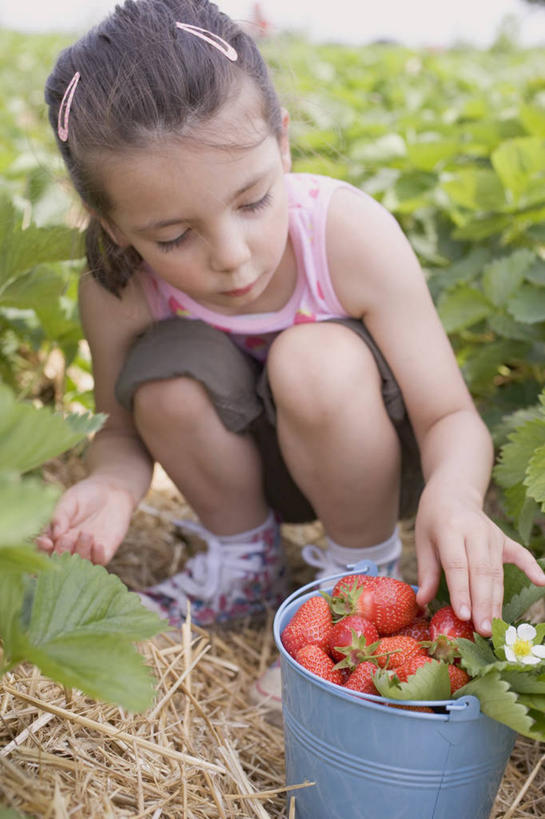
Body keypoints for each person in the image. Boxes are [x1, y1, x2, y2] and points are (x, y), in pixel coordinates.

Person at [39, 0, 545, 642]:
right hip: (239, 471)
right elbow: (119, 430)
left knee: (314, 362)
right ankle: (244, 566)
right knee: (164, 382)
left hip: (363, 458)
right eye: (172, 237)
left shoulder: (345, 236)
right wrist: (112, 484)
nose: (231, 255)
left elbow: (448, 416)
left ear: (281, 143)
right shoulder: (116, 285)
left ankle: (355, 586)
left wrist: (454, 498)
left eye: (253, 202)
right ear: (112, 225)